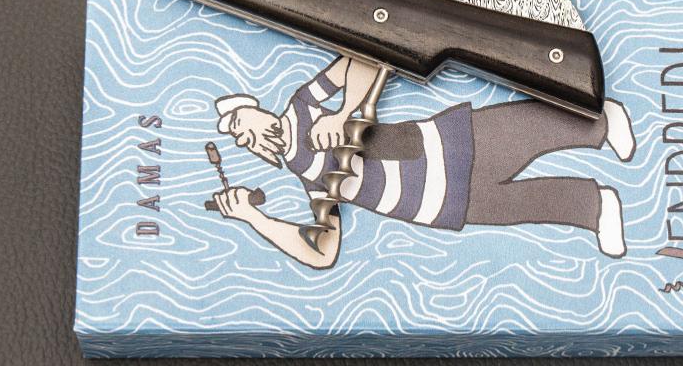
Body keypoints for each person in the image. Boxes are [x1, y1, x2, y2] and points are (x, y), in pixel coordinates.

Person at [211, 57, 636, 269]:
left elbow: (363, 58)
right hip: (433, 204)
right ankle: (594, 207)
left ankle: (600, 124)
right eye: (237, 139)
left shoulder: (303, 104)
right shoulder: (305, 176)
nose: (243, 138)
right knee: (522, 205)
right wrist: (253, 217)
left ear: (256, 109)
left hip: (441, 147)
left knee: (518, 133)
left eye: (239, 124)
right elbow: (323, 253)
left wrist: (343, 114)